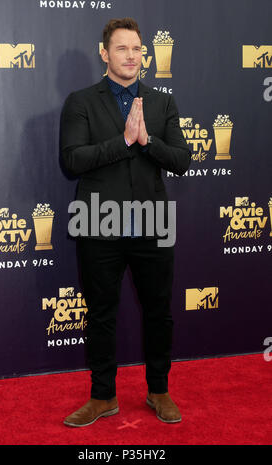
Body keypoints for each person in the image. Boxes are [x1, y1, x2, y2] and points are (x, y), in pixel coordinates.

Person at [60, 17, 191, 427]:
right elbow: (72, 161)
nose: (131, 56)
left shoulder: (161, 102)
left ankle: (158, 390)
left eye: (137, 49)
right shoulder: (80, 102)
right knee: (101, 313)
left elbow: (182, 160)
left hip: (152, 224)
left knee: (158, 312)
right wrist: (123, 143)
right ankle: (103, 397)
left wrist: (147, 140)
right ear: (105, 53)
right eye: (122, 48)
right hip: (98, 223)